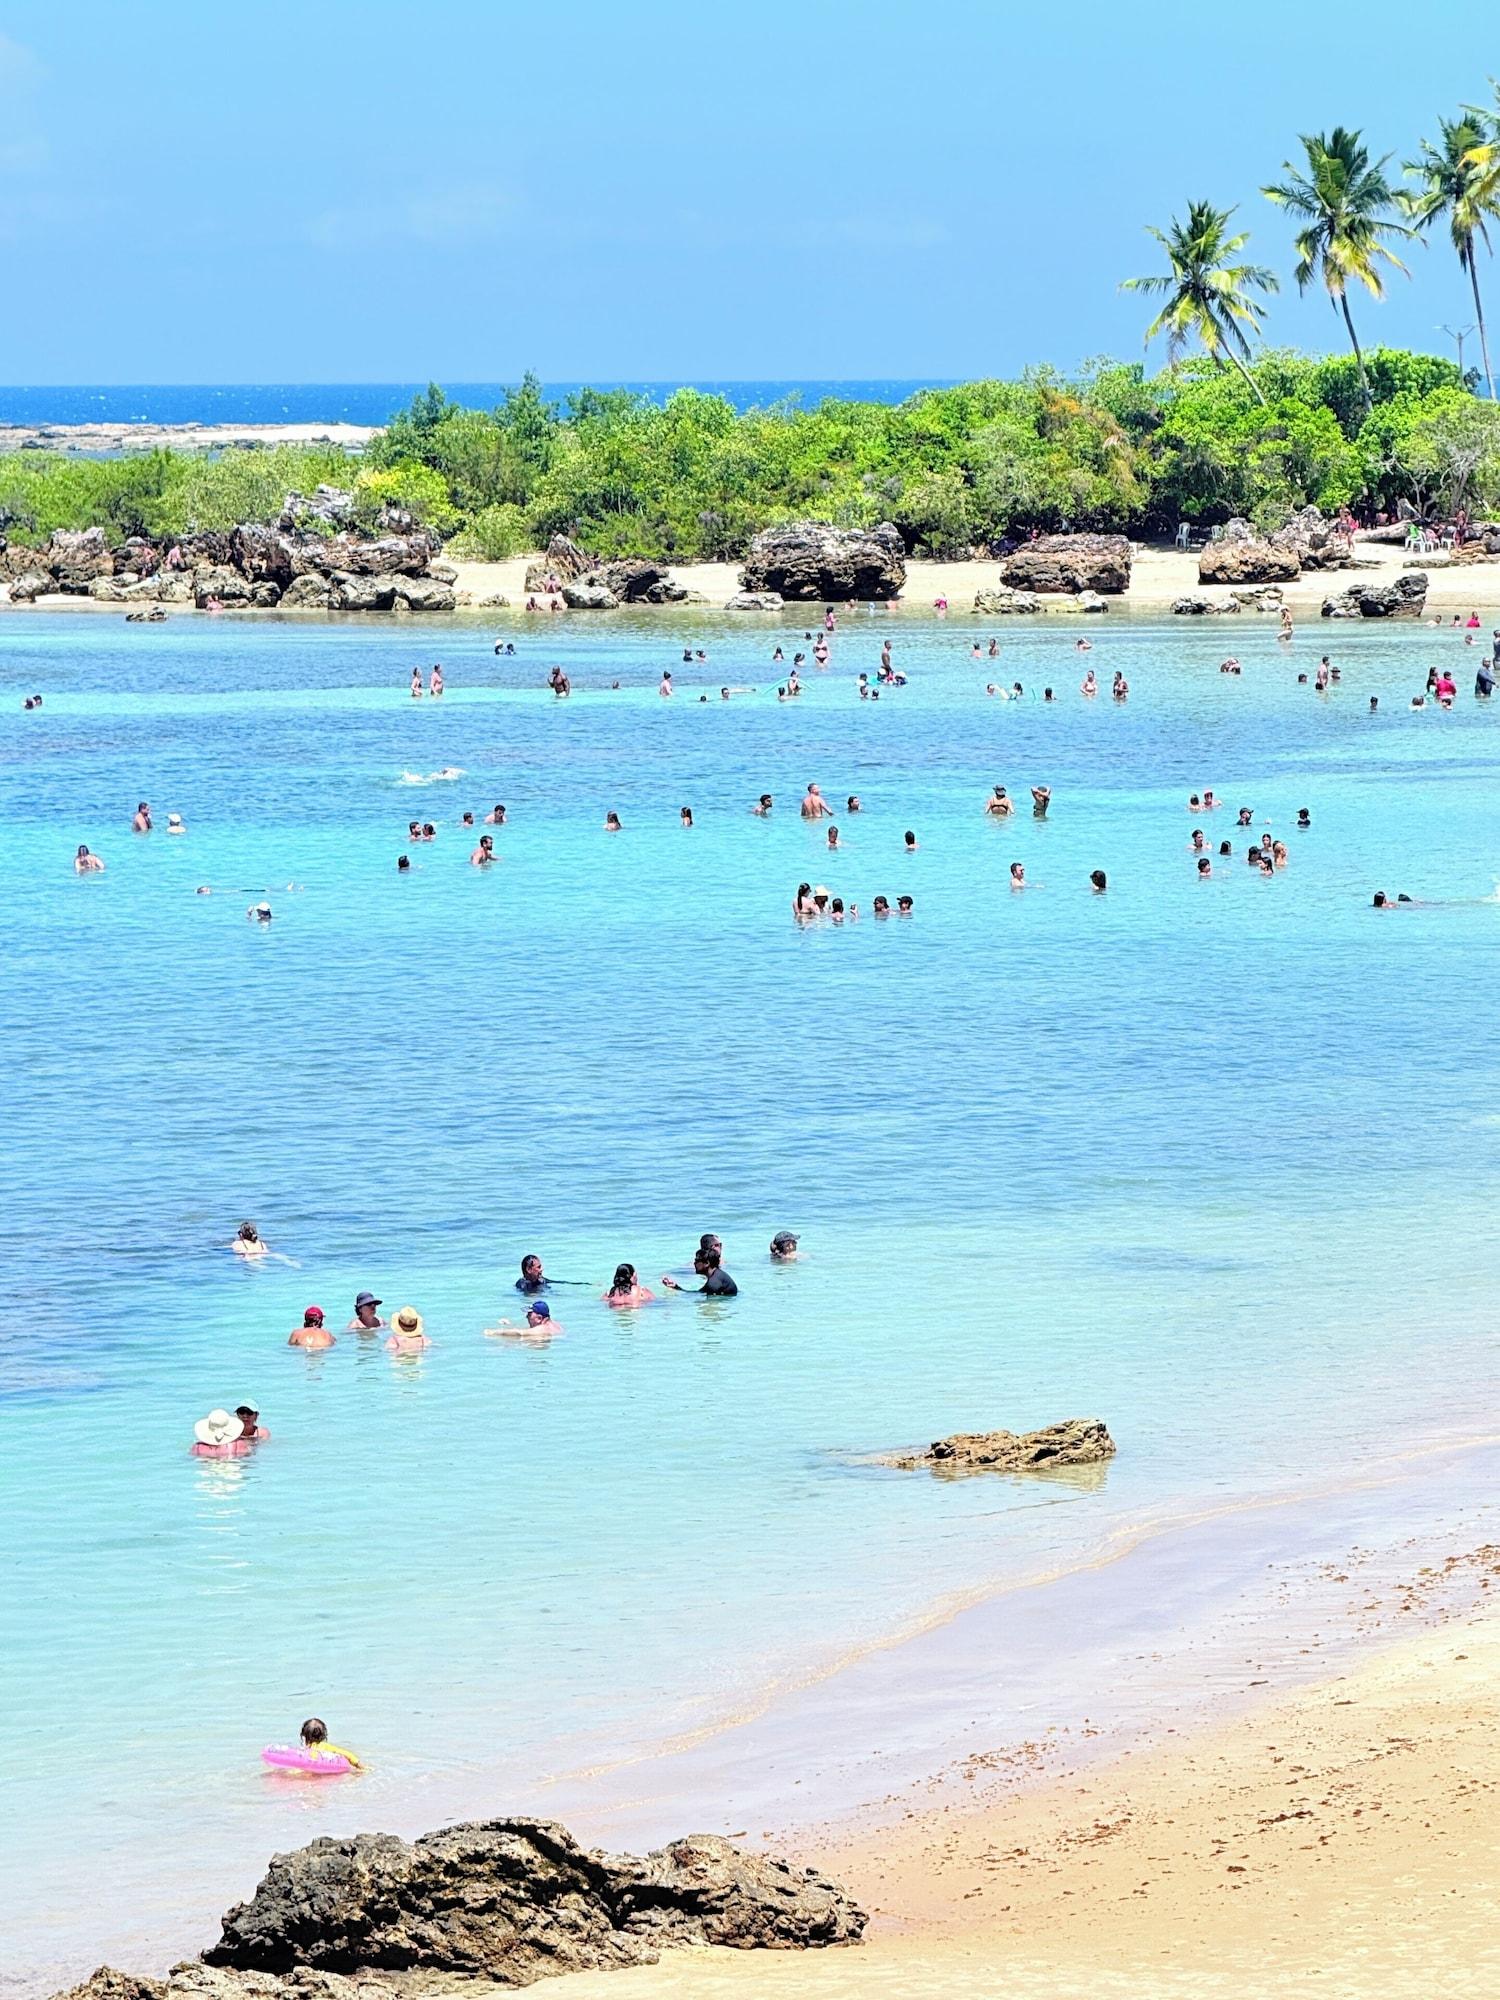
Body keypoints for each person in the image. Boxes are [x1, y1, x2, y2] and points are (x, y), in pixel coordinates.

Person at [661, 1248, 738, 1296]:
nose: (694, 1264)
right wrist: (675, 1287)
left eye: (697, 1261)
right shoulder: (716, 1276)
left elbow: (711, 1306)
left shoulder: (714, 1282)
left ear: (707, 1263)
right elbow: (699, 1293)